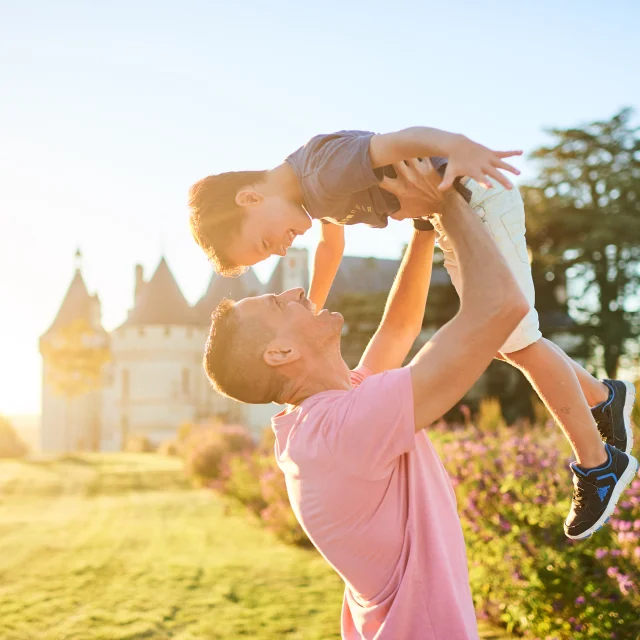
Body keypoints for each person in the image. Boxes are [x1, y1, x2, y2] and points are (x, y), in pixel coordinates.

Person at [200, 164, 637, 639]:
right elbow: (501, 307)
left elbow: (399, 329)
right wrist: (442, 201)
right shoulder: (342, 430)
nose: (295, 291)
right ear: (280, 353)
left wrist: (424, 230)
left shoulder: (327, 413)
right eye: (279, 305)